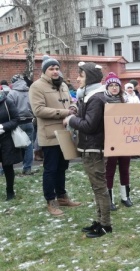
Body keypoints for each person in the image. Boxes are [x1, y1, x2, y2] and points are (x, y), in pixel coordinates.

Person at [64, 62, 112, 238]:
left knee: (100, 188)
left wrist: (71, 120)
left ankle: (105, 224)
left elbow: (90, 125)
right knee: (96, 187)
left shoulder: (96, 98)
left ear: (90, 78)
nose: (77, 79)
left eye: (81, 76)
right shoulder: (90, 96)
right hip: (89, 148)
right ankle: (99, 220)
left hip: (94, 149)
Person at [29, 55, 80, 216]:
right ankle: (50, 201)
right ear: (45, 71)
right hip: (49, 135)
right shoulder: (37, 86)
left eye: (57, 68)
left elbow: (71, 101)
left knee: (62, 167)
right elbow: (38, 110)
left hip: (65, 133)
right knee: (50, 169)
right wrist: (65, 112)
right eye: (51, 68)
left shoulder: (63, 84)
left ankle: (62, 196)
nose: (55, 71)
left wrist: (73, 107)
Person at [102, 72, 134, 211]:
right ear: (107, 87)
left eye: (116, 85)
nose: (114, 88)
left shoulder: (125, 101)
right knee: (110, 170)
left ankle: (125, 196)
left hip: (124, 139)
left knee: (124, 168)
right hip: (110, 139)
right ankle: (109, 199)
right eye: (111, 85)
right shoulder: (103, 101)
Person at [8, 74, 35, 175]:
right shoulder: (30, 92)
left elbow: (10, 109)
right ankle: (27, 168)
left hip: (17, 123)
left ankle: (6, 169)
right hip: (29, 121)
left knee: (12, 145)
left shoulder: (12, 93)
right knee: (28, 146)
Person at [0, 88, 22, 200]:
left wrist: (3, 127)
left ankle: (10, 191)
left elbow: (16, 119)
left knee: (8, 167)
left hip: (6, 139)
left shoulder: (7, 102)